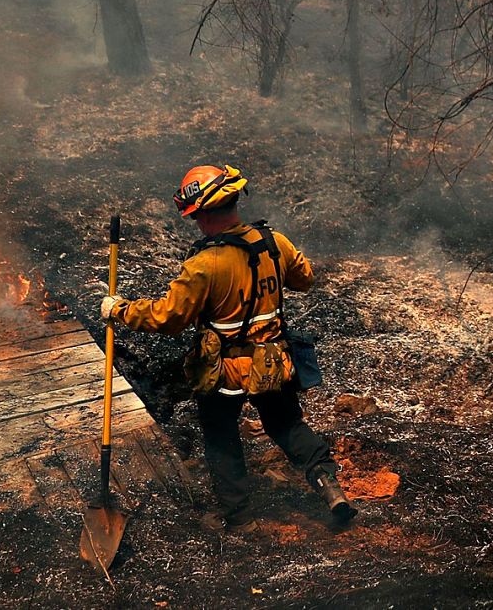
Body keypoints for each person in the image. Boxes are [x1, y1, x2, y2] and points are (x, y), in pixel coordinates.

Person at [100, 163, 355, 531]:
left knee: (221, 436)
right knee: (287, 425)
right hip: (273, 362)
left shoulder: (205, 264)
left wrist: (121, 310)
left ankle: (239, 518)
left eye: (195, 216)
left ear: (204, 214)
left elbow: (169, 317)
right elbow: (305, 279)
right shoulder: (274, 242)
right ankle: (328, 484)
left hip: (225, 370)